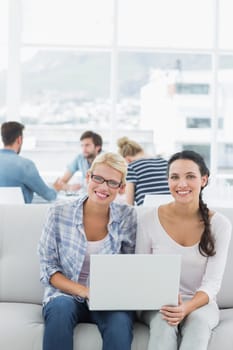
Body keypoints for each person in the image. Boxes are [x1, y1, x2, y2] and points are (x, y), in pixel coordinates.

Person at [38, 152, 137, 350]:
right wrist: (85, 292)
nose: (103, 187)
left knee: (119, 322)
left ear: (122, 188)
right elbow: (48, 269)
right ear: (88, 177)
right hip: (65, 295)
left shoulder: (128, 217)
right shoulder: (58, 213)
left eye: (112, 182)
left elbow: (133, 265)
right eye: (98, 178)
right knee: (60, 310)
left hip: (108, 298)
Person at [136, 150, 232, 350]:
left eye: (190, 176)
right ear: (168, 181)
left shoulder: (220, 225)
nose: (182, 184)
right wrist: (166, 302)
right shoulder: (147, 219)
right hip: (157, 302)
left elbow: (212, 283)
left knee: (197, 324)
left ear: (203, 180)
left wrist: (186, 307)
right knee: (164, 323)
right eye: (175, 177)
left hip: (200, 302)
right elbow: (141, 272)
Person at [0, 121, 57, 203]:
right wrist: (56, 189)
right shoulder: (25, 165)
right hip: (22, 214)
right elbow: (48, 195)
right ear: (19, 139)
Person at [117, 136, 170, 205]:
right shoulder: (167, 163)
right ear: (141, 150)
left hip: (148, 213)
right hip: (174, 211)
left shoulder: (132, 167)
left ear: (127, 160)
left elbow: (129, 205)